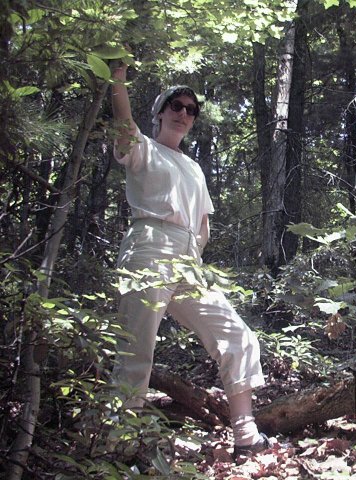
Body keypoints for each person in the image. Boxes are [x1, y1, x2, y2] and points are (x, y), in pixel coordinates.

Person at [109, 60, 270, 459]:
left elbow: (202, 224)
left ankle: (246, 433)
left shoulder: (194, 167)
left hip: (188, 260)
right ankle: (114, 444)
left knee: (237, 335)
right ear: (161, 111)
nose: (184, 113)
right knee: (136, 349)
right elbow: (123, 122)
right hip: (149, 244)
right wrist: (117, 79)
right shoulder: (144, 149)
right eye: (176, 106)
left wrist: (195, 258)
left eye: (191, 109)